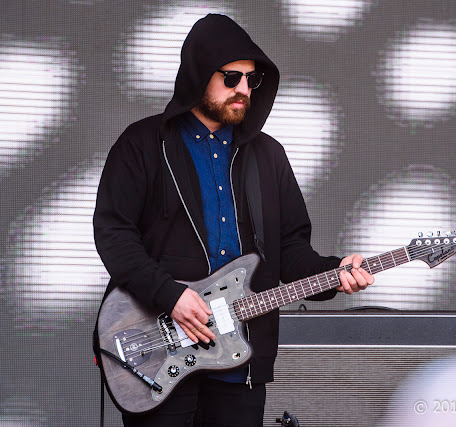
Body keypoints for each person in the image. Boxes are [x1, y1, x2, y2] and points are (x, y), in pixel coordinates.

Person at [93, 14, 374, 427]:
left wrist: (335, 272)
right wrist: (168, 293)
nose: (243, 89)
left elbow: (292, 250)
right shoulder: (142, 145)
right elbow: (114, 233)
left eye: (251, 79)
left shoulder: (269, 156)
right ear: (197, 75)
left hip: (240, 358)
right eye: (231, 78)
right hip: (160, 349)